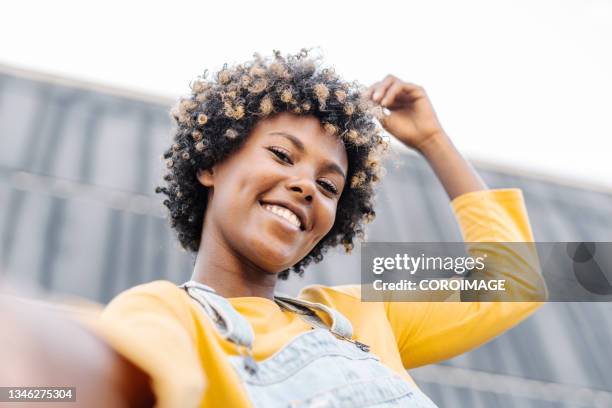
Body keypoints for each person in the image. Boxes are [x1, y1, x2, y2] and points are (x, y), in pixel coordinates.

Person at [0, 49, 546, 407]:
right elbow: (90, 376)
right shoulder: (167, 311)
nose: (307, 185)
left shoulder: (362, 310)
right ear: (211, 163)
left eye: (330, 186)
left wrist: (433, 141)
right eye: (283, 155)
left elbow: (516, 278)